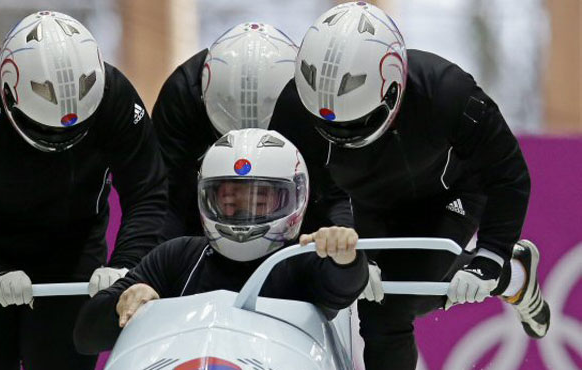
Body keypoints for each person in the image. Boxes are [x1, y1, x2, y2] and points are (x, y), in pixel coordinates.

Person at [268, 2, 551, 369]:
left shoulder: (448, 92)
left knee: (389, 307)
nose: (342, 137)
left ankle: (512, 273)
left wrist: (491, 257)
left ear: (393, 90)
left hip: (447, 196)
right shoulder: (295, 108)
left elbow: (508, 174)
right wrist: (346, 249)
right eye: (329, 129)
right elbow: (301, 186)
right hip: (360, 199)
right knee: (359, 292)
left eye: (357, 124)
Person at [0, 11, 166, 370]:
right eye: (46, 130)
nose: (59, 141)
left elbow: (148, 190)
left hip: (71, 249)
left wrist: (126, 262)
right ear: (9, 94)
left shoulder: (115, 98)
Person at [73, 129, 368, 354]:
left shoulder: (302, 259)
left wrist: (345, 256)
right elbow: (86, 336)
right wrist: (121, 304)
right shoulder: (179, 256)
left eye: (259, 200)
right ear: (206, 198)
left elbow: (343, 287)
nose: (241, 211)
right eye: (228, 199)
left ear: (295, 198)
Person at [152, 22, 354, 242]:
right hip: (202, 225)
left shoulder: (307, 100)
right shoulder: (181, 96)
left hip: (301, 225)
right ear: (203, 98)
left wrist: (339, 240)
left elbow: (337, 189)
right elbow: (166, 196)